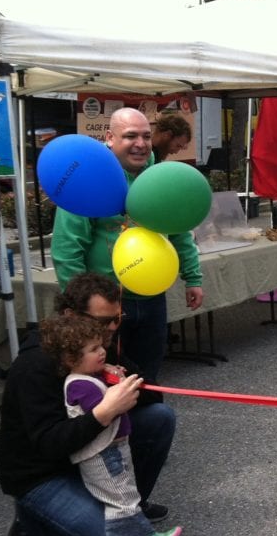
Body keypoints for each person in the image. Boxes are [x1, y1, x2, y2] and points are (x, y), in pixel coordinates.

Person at [0, 272, 178, 536]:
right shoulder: (35, 365)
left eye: (117, 319)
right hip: (43, 473)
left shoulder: (96, 343)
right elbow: (48, 444)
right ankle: (31, 522)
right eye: (102, 322)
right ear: (70, 314)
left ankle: (129, 511)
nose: (110, 330)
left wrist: (120, 382)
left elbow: (150, 394)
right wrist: (104, 412)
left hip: (89, 455)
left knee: (159, 418)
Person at [51, 107, 204, 382]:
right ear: (110, 138)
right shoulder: (90, 181)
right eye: (130, 136)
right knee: (103, 381)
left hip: (152, 298)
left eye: (146, 136)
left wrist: (193, 276)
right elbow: (67, 249)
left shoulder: (159, 179)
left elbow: (179, 228)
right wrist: (81, 308)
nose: (141, 144)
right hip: (103, 307)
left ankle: (149, 423)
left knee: (147, 378)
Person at [40, 313, 183, 536]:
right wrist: (118, 388)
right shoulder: (78, 385)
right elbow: (105, 405)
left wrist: (110, 374)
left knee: (123, 488)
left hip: (112, 446)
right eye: (93, 349)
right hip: (102, 452)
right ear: (72, 358)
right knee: (120, 494)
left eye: (100, 345)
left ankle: (133, 534)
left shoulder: (89, 377)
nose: (102, 351)